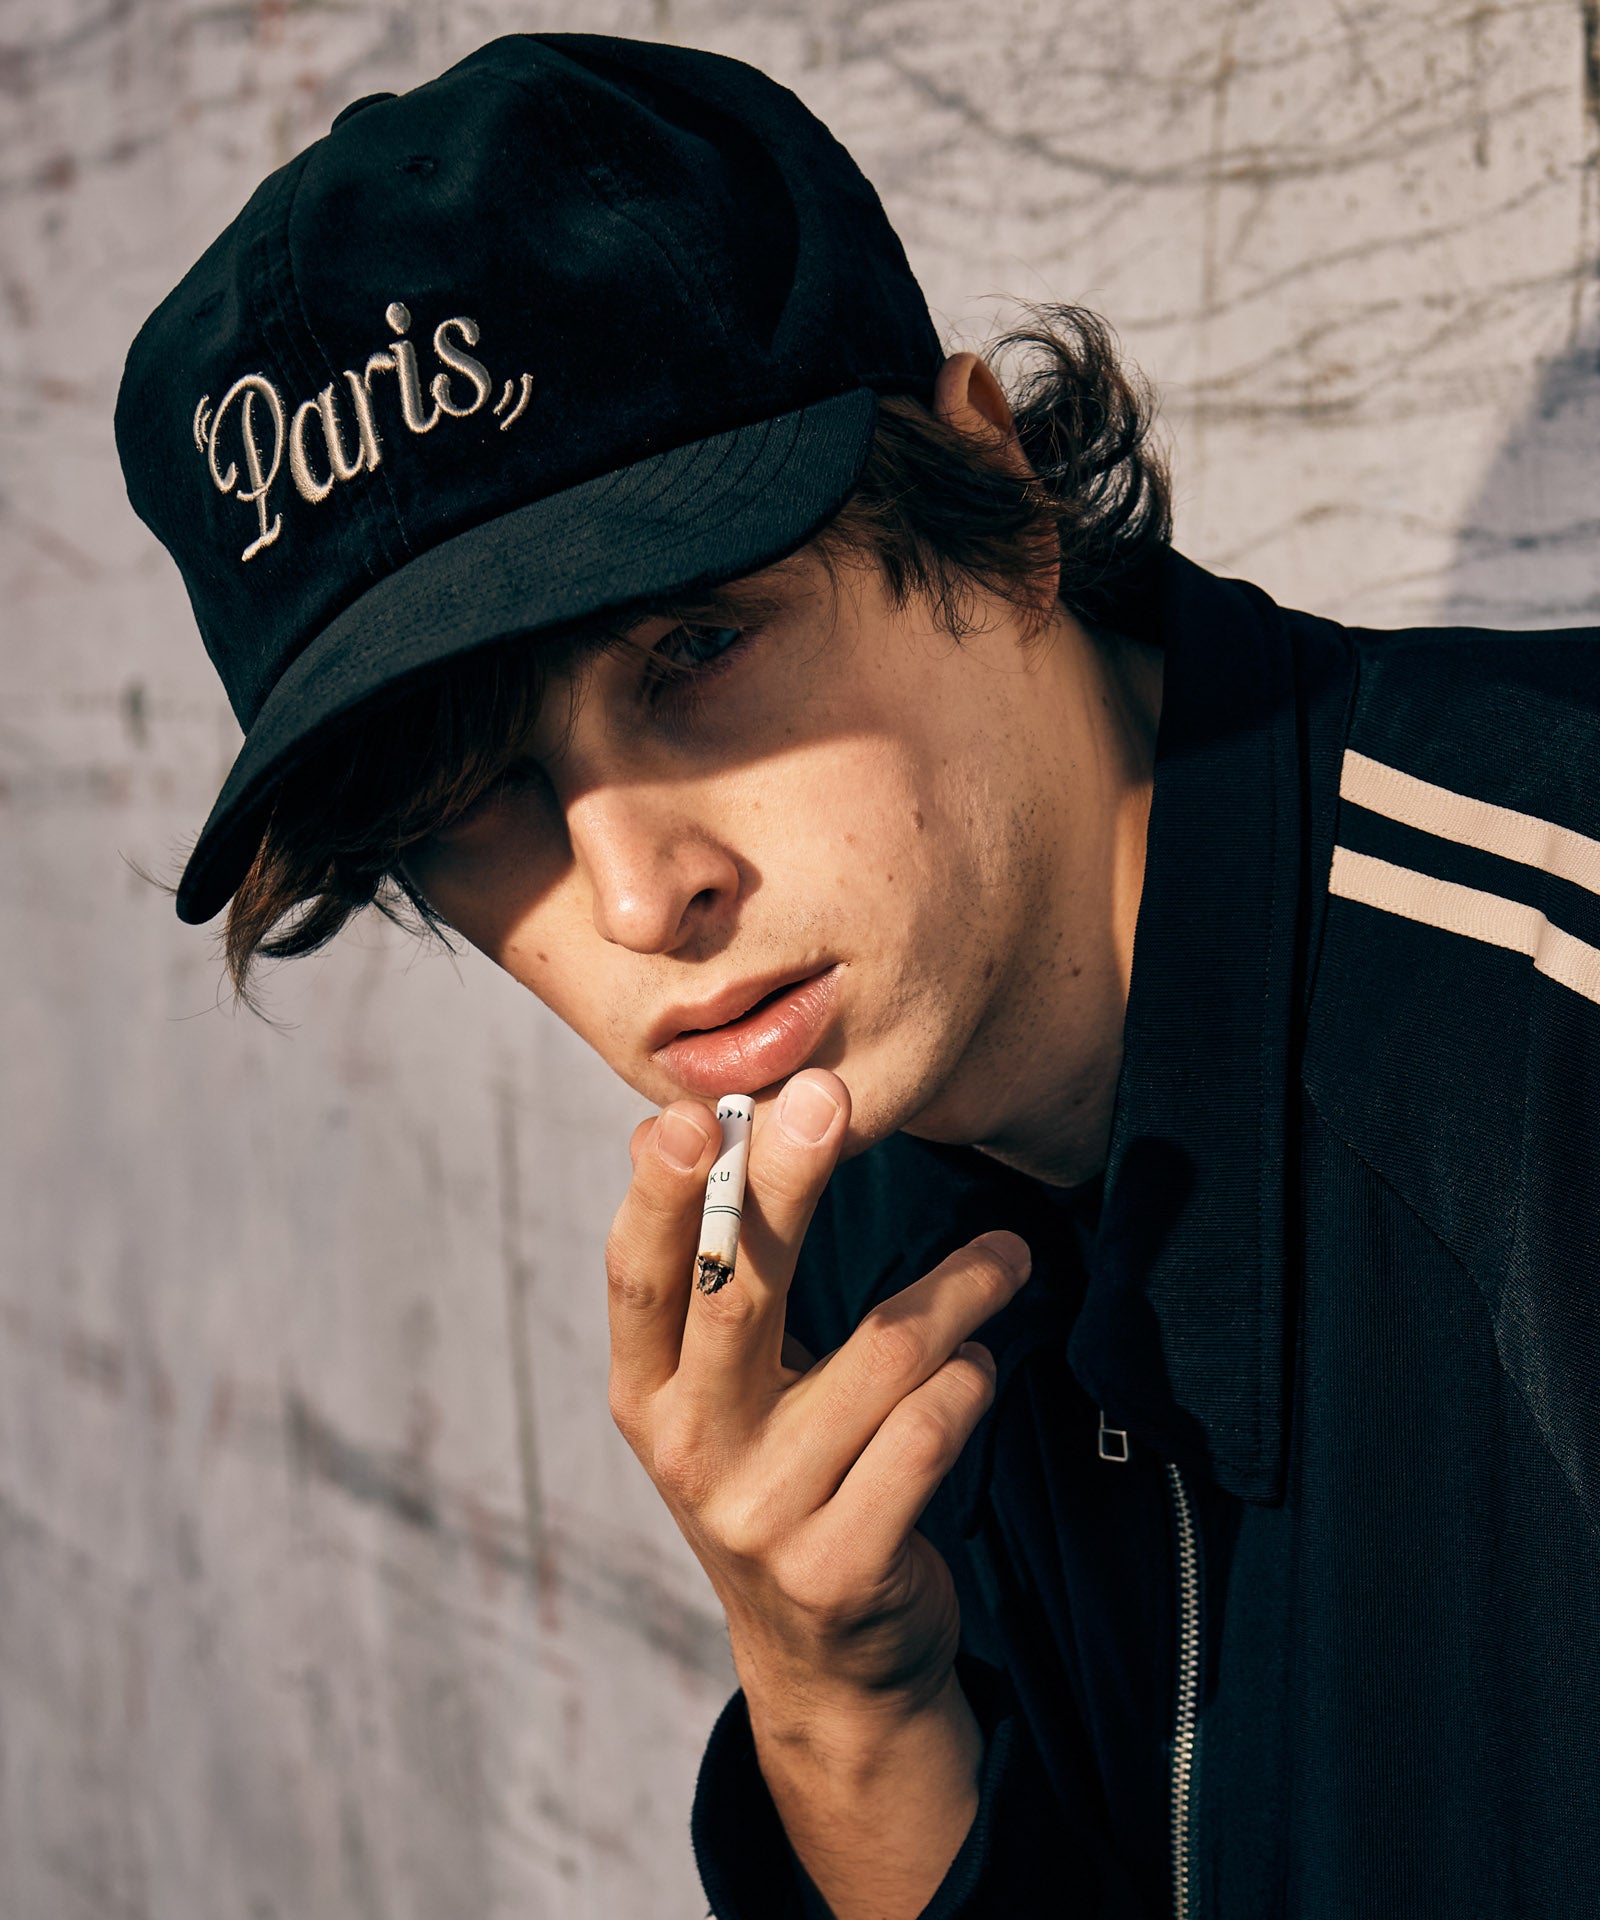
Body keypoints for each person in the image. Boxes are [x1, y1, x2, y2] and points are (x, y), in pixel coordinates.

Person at [114, 31, 1600, 1920]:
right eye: (472, 797)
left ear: (994, 496)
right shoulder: (845, 1240)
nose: (637, 895)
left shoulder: (1551, 1015)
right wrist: (844, 1711)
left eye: (695, 647)